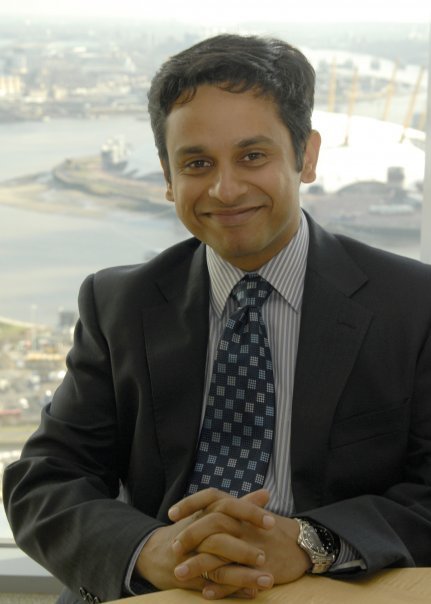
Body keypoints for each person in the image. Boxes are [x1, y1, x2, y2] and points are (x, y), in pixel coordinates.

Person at [3, 34, 431, 604]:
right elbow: (47, 478)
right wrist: (148, 549)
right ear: (167, 176)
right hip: (157, 590)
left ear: (306, 156)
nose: (225, 190)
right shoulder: (118, 303)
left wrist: (310, 541)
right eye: (197, 163)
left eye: (252, 156)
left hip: (328, 589)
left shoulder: (412, 304)